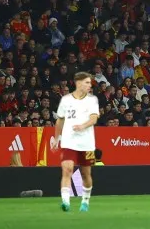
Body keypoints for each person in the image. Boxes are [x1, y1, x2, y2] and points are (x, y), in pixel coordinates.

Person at [54, 72, 100, 212]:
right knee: (67, 169)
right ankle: (65, 202)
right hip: (69, 141)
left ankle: (85, 201)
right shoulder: (66, 100)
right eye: (87, 82)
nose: (89, 85)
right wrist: (56, 138)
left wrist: (82, 126)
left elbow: (94, 119)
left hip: (87, 143)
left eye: (90, 83)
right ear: (78, 83)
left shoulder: (92, 100)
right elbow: (60, 120)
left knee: (86, 174)